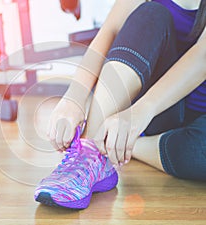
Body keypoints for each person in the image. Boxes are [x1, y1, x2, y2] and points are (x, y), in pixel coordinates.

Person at [34, 0, 206, 209]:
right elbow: (110, 31)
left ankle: (116, 143)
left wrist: (141, 112)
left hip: (191, 119)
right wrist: (74, 98)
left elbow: (202, 57)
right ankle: (90, 152)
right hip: (152, 114)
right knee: (151, 13)